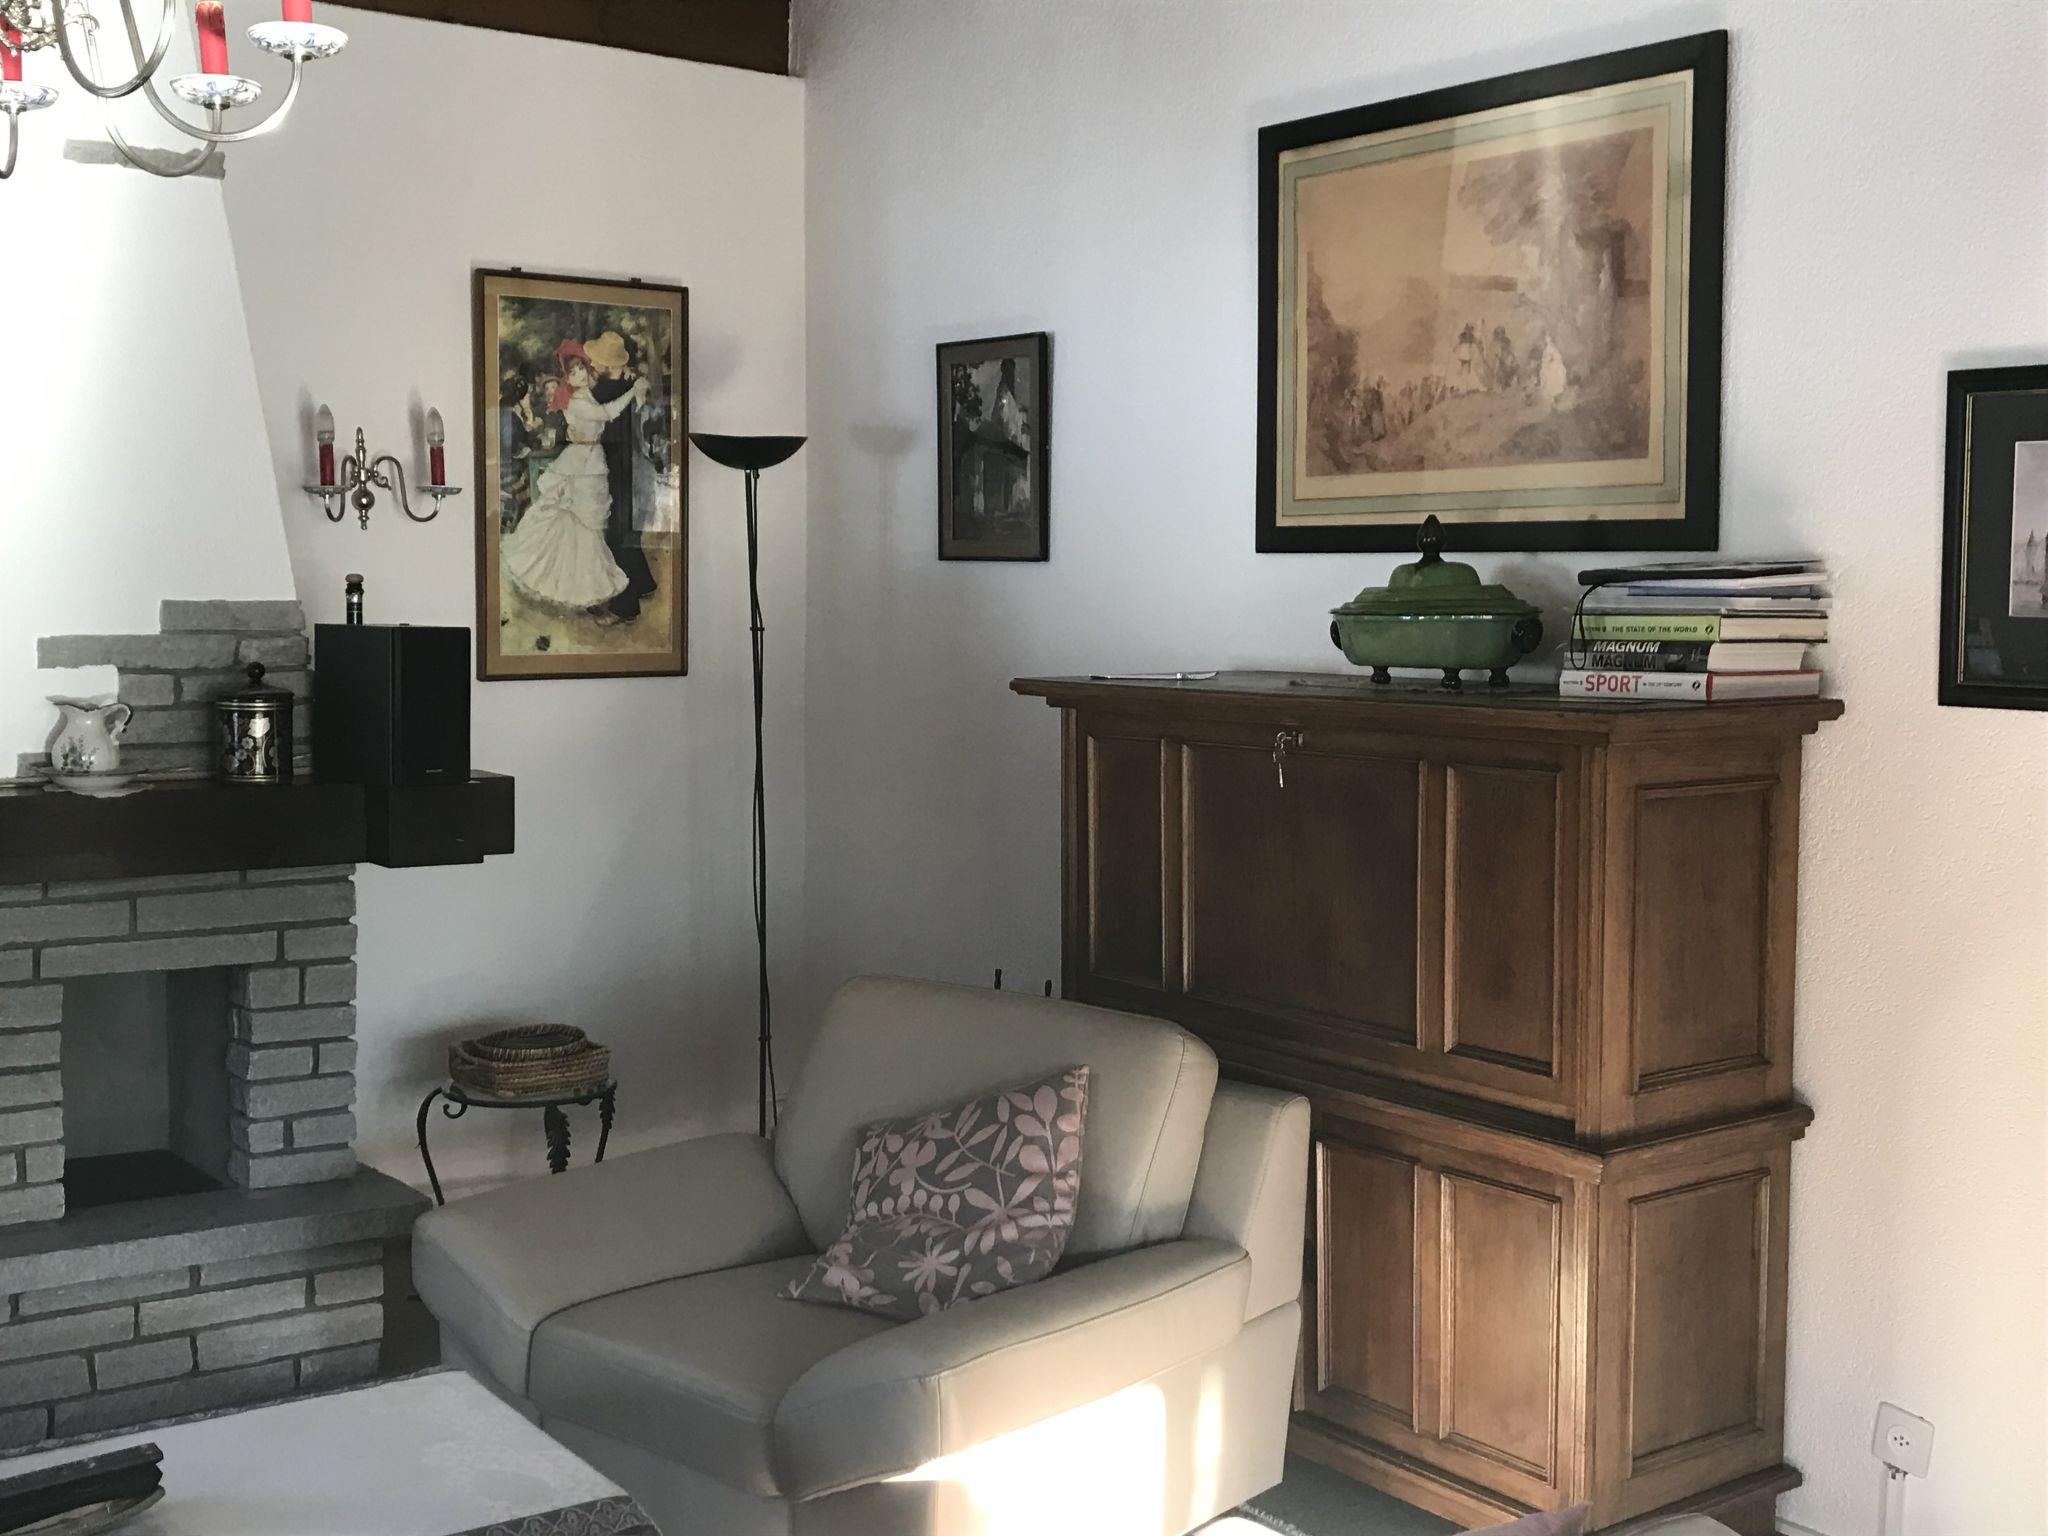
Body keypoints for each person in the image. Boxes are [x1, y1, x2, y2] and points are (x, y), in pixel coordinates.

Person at [499, 339, 650, 617]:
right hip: (581, 465)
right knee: (581, 527)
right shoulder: (576, 402)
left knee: (591, 527)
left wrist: (630, 379)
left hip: (592, 460)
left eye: (581, 369)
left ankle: (594, 589)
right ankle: (585, 589)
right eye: (573, 372)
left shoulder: (587, 393)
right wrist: (633, 391)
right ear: (566, 378)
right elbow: (607, 413)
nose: (579, 374)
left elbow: (605, 400)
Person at [586, 331, 659, 622]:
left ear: (607, 363)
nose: (593, 363)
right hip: (628, 469)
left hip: (617, 470)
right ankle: (643, 583)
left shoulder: (604, 391)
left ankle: (624, 607)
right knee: (624, 531)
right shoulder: (626, 386)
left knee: (616, 536)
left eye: (596, 360)